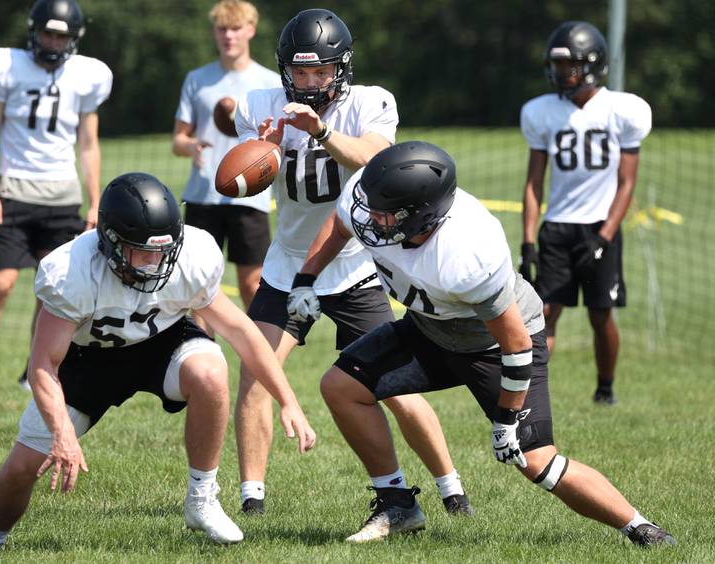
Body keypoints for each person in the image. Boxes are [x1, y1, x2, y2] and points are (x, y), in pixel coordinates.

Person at [289, 141, 675, 546]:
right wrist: (305, 279)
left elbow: (516, 344)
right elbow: (341, 222)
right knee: (341, 386)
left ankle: (640, 527)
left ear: (422, 216)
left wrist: (507, 419)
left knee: (536, 460)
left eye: (384, 213)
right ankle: (397, 505)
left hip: (490, 346)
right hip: (429, 328)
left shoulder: (467, 251)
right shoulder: (372, 201)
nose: (370, 217)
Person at [0, 172, 316, 550]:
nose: (154, 262)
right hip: (89, 359)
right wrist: (62, 434)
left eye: (162, 251)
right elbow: (42, 365)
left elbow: (243, 332)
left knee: (212, 372)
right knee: (22, 466)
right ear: (110, 243)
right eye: (142, 252)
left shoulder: (192, 255)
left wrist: (288, 399)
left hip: (162, 342)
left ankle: (202, 498)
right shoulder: (72, 272)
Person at [232, 8, 472, 521]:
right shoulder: (259, 104)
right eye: (301, 72)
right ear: (284, 71)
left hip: (356, 265)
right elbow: (241, 176)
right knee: (256, 375)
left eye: (321, 72)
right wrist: (265, 148)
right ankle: (251, 498)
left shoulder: (370, 102)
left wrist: (319, 132)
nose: (311, 81)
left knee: (393, 386)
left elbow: (375, 156)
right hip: (287, 265)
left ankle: (450, 487)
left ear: (341, 69)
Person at [0, 0, 112, 393]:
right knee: (2, 281)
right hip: (14, 191)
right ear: (33, 31)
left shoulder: (87, 75)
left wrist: (94, 203)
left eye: (61, 35)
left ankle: (32, 370)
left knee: (50, 286)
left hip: (61, 195)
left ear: (74, 38)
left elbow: (88, 145)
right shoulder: (5, 66)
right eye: (47, 32)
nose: (53, 42)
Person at [518, 21, 652, 405]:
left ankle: (605, 388)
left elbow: (626, 184)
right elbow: (533, 184)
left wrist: (605, 236)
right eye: (558, 65)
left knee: (600, 313)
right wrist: (528, 242)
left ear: (593, 65)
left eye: (570, 66)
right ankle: (530, 392)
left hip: (599, 227)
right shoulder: (541, 112)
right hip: (558, 226)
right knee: (544, 312)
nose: (562, 73)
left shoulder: (622, 110)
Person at [172, 0, 279, 317]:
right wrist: (190, 146)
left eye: (235, 28)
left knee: (253, 283)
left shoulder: (270, 82)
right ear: (214, 33)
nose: (228, 36)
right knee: (198, 287)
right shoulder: (197, 79)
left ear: (251, 30)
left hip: (251, 195)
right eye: (222, 29)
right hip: (203, 195)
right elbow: (177, 140)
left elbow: (282, 140)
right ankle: (202, 357)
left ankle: (258, 353)